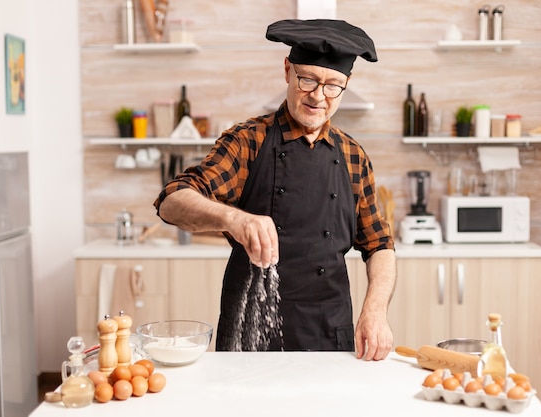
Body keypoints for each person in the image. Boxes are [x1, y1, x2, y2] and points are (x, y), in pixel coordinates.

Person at [154, 19, 396, 360]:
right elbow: (172, 200)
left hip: (330, 333)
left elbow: (380, 244)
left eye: (332, 85)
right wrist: (233, 219)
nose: (318, 96)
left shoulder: (353, 155)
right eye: (308, 79)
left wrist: (375, 311)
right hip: (251, 334)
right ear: (287, 71)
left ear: (346, 85)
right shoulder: (247, 141)